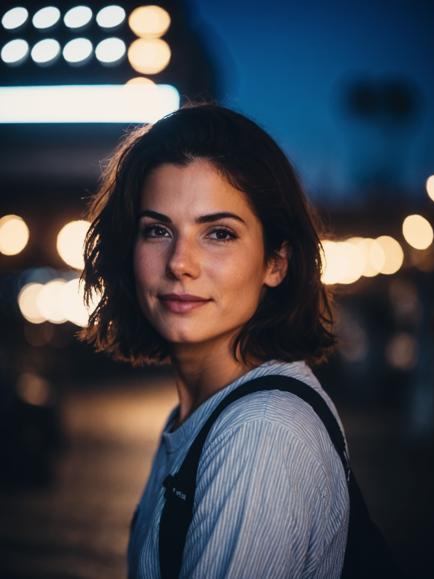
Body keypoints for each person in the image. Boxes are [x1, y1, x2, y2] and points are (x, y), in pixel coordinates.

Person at [81, 104, 349, 578]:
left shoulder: (260, 434)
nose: (180, 263)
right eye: (157, 230)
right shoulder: (203, 414)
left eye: (219, 233)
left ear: (276, 263)